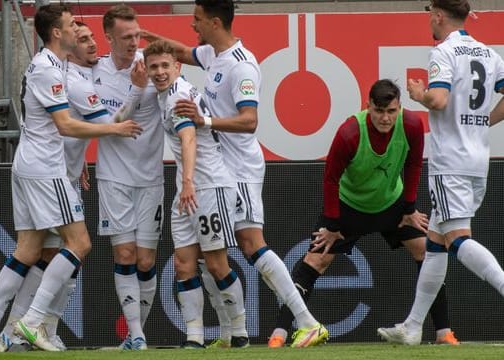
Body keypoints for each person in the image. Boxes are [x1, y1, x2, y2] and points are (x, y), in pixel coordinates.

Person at [140, 0, 326, 348]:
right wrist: (147, 35)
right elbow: (181, 52)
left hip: (239, 168)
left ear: (214, 22)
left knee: (251, 245)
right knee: (211, 256)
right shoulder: (212, 54)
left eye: (196, 20)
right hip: (220, 167)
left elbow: (249, 121)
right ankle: (230, 334)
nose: (192, 26)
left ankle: (307, 321)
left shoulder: (243, 66)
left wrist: (204, 120)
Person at [0, 4, 142, 353]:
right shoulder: (51, 71)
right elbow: (66, 124)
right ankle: (32, 323)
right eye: (74, 29)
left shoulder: (54, 67)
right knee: (79, 244)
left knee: (30, 250)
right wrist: (117, 126)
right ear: (58, 34)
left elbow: (62, 126)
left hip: (35, 164)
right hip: (47, 168)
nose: (84, 36)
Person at [267, 79, 458, 347]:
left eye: (391, 111)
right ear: (368, 106)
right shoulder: (350, 133)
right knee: (315, 260)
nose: (385, 118)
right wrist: (333, 224)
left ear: (399, 108)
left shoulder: (412, 125)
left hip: (392, 205)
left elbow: (414, 164)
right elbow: (330, 178)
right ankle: (279, 334)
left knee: (426, 251)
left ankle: (444, 333)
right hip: (349, 208)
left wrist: (409, 208)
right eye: (379, 111)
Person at [377, 0, 504, 345]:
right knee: (435, 242)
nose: (429, 21)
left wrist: (419, 93)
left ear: (438, 15)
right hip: (477, 159)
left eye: (429, 14)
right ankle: (414, 327)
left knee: (456, 239)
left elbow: (439, 100)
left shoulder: (444, 52)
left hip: (450, 161)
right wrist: (484, 122)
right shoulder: (488, 54)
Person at [144, 39, 248, 348]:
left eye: (165, 65)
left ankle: (239, 331)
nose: (160, 72)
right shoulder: (168, 94)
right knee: (184, 264)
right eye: (154, 67)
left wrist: (187, 181)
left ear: (177, 67)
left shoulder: (178, 96)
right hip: (188, 190)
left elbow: (188, 138)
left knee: (216, 264)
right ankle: (195, 337)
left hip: (207, 187)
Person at [92, 4, 164, 350]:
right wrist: (136, 90)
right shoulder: (95, 72)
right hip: (114, 176)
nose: (133, 42)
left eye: (137, 35)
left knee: (146, 260)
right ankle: (136, 336)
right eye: (125, 37)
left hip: (151, 177)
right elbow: (111, 126)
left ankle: (137, 333)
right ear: (108, 37)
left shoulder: (154, 68)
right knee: (124, 255)